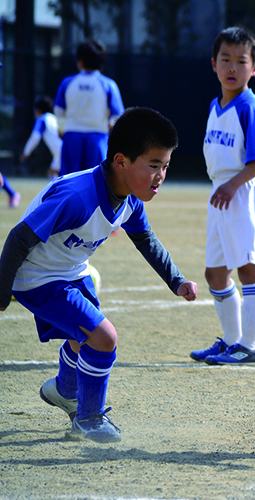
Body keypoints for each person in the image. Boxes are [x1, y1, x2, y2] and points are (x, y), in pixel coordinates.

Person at [0, 107, 198, 443]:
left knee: (83, 339)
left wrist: (176, 280)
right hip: (37, 278)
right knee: (104, 337)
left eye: (165, 165)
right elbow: (19, 238)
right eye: (153, 165)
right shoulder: (77, 197)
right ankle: (89, 417)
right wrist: (2, 293)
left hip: (72, 272)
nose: (161, 175)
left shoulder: (130, 200)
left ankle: (64, 390)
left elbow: (145, 240)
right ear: (121, 162)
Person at [189, 26, 255, 366]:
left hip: (243, 193)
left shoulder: (250, 107)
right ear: (213, 63)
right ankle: (230, 341)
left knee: (249, 269)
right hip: (221, 193)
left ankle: (249, 346)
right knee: (215, 273)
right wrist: (223, 186)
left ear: (254, 68)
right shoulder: (216, 105)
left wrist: (233, 184)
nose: (231, 67)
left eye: (241, 61)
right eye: (225, 59)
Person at [54, 38, 125, 176]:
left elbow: (59, 111)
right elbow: (118, 116)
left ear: (80, 61)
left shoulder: (67, 82)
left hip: (72, 137)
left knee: (69, 181)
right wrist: (110, 126)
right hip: (98, 138)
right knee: (98, 182)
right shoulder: (108, 85)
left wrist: (62, 128)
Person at [21, 96, 63, 180]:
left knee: (53, 173)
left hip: (61, 152)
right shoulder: (53, 118)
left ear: (39, 110)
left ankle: (57, 192)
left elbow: (35, 137)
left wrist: (26, 152)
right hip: (63, 151)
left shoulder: (42, 119)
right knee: (52, 172)